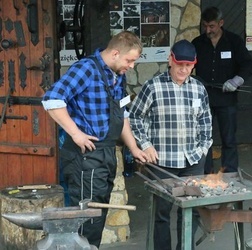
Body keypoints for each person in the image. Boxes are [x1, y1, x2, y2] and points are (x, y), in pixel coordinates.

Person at [42, 31, 148, 247]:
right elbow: (52, 99)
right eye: (130, 60)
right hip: (86, 157)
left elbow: (122, 113)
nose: (132, 65)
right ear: (116, 53)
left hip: (106, 154)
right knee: (86, 220)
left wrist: (134, 148)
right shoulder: (86, 69)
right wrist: (75, 133)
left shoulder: (118, 75)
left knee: (96, 217)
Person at [129, 39, 212, 250]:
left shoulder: (199, 88)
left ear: (194, 64)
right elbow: (135, 117)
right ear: (170, 60)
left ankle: (185, 248)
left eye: (188, 65)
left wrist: (203, 149)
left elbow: (205, 121)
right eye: (180, 64)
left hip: (192, 160)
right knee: (162, 213)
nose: (183, 70)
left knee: (191, 210)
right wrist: (145, 144)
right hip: (162, 160)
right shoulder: (153, 86)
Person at [192, 6, 252, 174]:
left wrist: (237, 80)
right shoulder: (198, 43)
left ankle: (230, 173)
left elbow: (248, 65)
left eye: (211, 26)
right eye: (205, 25)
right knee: (204, 139)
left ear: (221, 23)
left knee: (229, 139)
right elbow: (188, 66)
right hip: (204, 99)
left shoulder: (234, 42)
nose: (208, 30)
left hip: (227, 99)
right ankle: (205, 173)